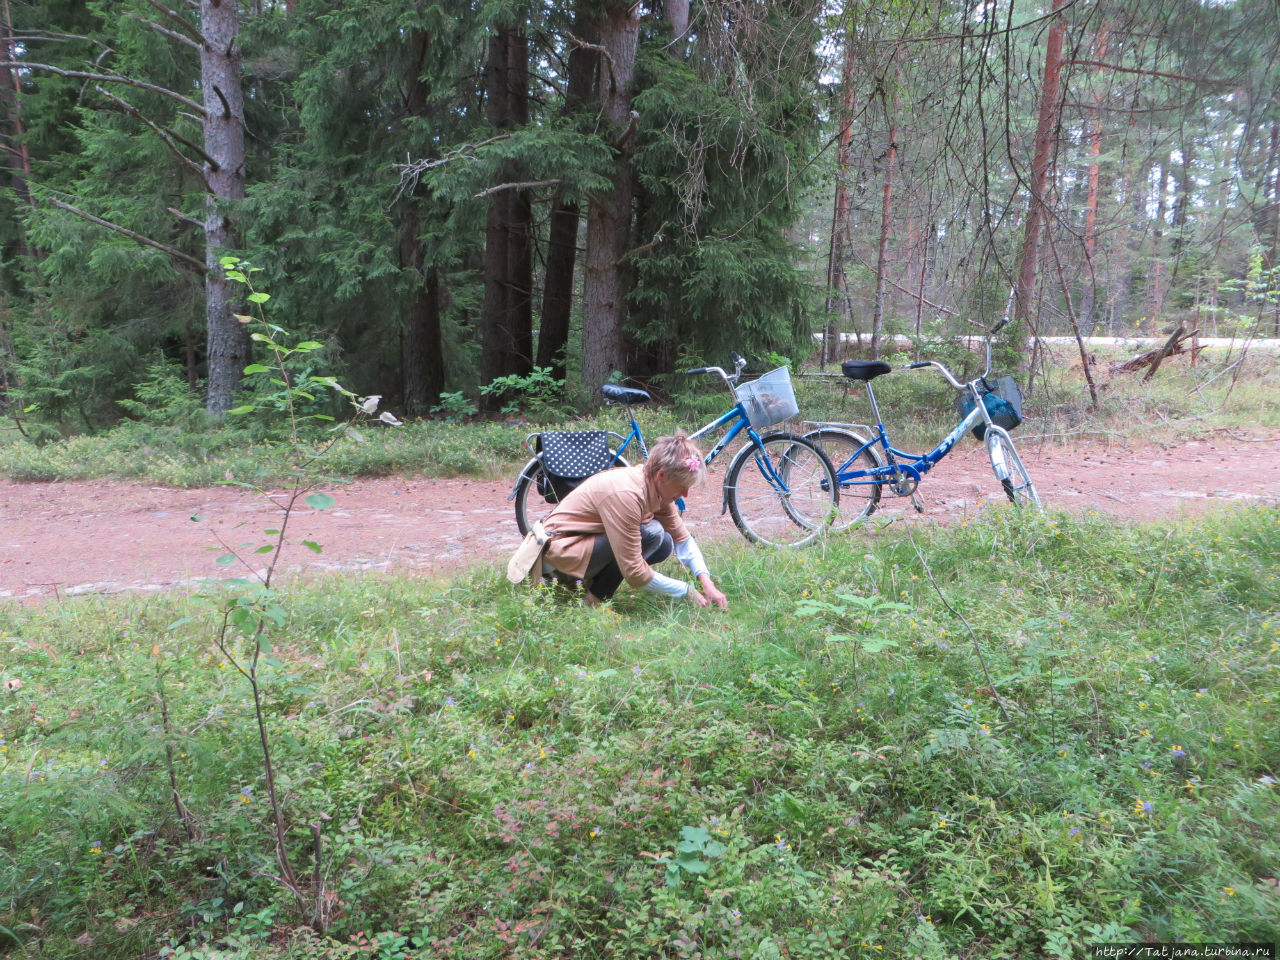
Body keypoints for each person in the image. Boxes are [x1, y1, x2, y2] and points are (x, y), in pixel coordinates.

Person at [540, 432, 729, 609]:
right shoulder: (628, 495)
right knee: (651, 533)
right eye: (682, 486)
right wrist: (685, 590)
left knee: (665, 543)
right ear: (661, 475)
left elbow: (682, 538)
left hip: (576, 548)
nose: (685, 494)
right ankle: (594, 600)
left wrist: (707, 582)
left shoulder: (656, 487)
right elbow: (635, 573)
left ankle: (587, 586)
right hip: (551, 560)